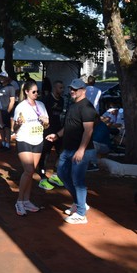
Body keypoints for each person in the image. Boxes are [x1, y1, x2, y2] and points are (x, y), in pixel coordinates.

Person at [46, 78, 96, 225]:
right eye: (71, 89)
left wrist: (81, 150)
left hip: (80, 151)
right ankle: (79, 203)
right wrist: (57, 135)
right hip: (68, 149)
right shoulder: (73, 105)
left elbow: (89, 131)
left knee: (78, 181)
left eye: (75, 89)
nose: (72, 91)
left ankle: (81, 214)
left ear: (83, 90)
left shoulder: (87, 107)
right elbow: (69, 126)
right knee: (61, 174)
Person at [12, 80, 49, 216]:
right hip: (24, 139)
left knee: (32, 171)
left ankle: (27, 200)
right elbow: (14, 128)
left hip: (38, 139)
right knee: (28, 170)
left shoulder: (41, 105)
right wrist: (18, 124)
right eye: (33, 92)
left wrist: (45, 122)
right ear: (26, 92)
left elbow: (46, 125)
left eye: (37, 91)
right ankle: (19, 201)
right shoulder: (21, 107)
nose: (36, 94)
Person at [38, 81, 65, 190]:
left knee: (61, 152)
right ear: (55, 88)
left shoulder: (62, 101)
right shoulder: (46, 99)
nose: (62, 90)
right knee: (45, 153)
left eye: (63, 88)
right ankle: (42, 175)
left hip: (58, 132)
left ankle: (56, 174)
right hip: (47, 131)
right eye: (60, 88)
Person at [0, 72, 16, 151]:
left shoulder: (10, 88)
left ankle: (7, 144)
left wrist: (8, 111)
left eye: (3, 77)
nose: (1, 78)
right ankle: (3, 143)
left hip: (6, 110)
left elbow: (12, 101)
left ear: (7, 78)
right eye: (0, 77)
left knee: (7, 128)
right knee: (1, 127)